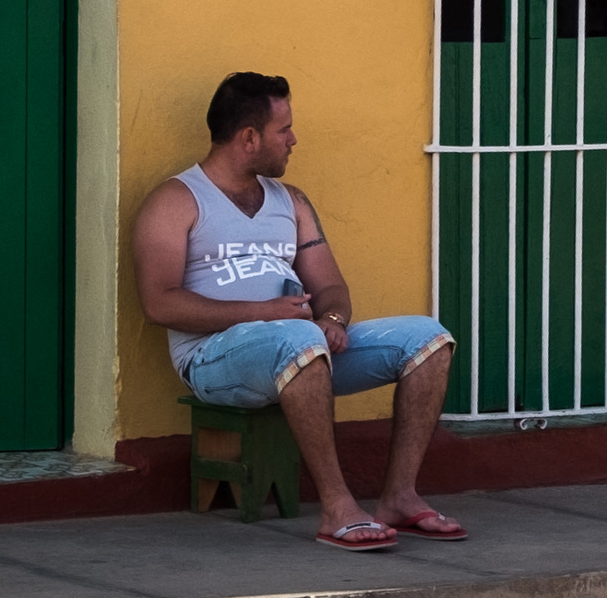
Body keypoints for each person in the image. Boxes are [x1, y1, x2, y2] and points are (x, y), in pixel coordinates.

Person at [135, 71, 468, 551]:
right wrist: (265, 312)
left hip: (301, 345)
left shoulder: (290, 201)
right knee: (299, 339)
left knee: (428, 338)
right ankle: (337, 508)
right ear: (249, 138)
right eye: (284, 130)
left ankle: (400, 496)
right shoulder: (175, 200)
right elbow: (158, 303)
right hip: (213, 359)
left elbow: (329, 285)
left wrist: (332, 320)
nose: (293, 140)